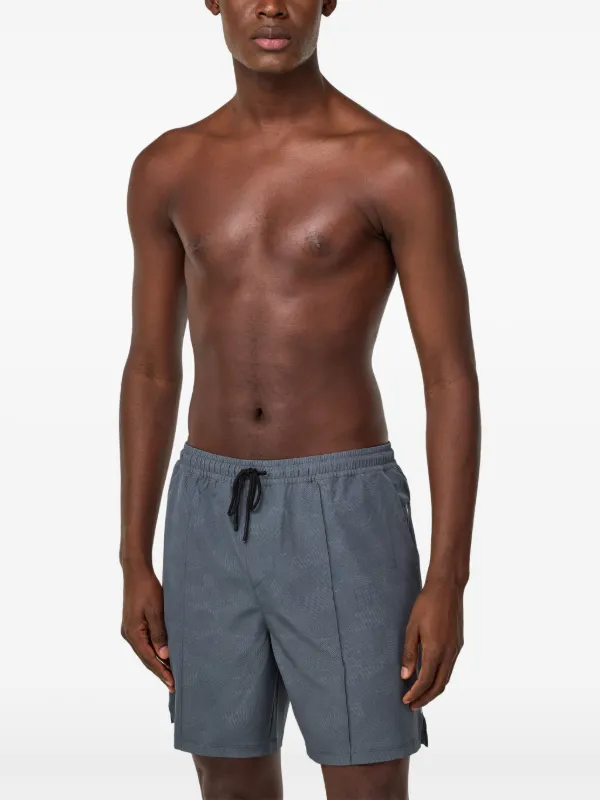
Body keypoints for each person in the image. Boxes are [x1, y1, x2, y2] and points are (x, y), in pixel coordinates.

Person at [119, 1, 481, 798]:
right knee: (228, 780)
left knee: (366, 781)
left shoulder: (394, 167)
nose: (272, 6)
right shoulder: (167, 167)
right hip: (207, 509)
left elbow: (450, 378)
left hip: (342, 508)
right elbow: (151, 369)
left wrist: (448, 579)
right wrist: (133, 558)